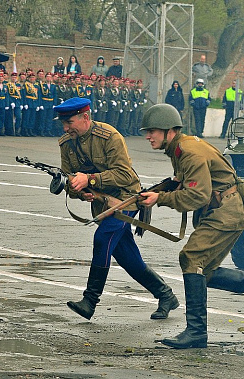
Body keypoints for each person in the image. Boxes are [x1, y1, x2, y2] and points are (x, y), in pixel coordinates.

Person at [138, 103, 244, 349]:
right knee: (206, 271)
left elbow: (198, 196)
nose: (148, 136)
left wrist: (160, 198)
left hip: (226, 210)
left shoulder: (188, 152)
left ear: (170, 131)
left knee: (191, 258)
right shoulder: (182, 147)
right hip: (226, 208)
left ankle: (196, 332)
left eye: (153, 131)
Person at [54, 97, 179, 321]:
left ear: (85, 117)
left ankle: (90, 301)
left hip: (125, 199)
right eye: (63, 123)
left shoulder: (109, 136)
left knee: (102, 238)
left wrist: (90, 180)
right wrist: (80, 191)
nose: (65, 128)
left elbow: (125, 175)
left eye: (69, 122)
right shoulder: (66, 143)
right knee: (127, 257)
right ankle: (166, 295)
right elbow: (71, 181)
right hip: (101, 204)